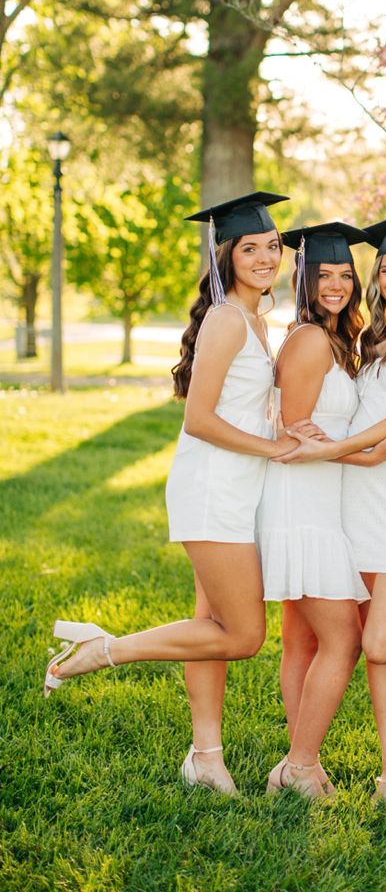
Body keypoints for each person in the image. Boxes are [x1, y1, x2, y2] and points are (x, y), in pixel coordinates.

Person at [43, 191, 296, 796]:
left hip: (236, 488)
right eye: (250, 248)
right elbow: (200, 419)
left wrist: (279, 434)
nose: (265, 258)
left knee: (208, 623)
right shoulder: (227, 318)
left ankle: (206, 757)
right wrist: (273, 448)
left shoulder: (256, 318)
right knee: (243, 634)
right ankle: (104, 651)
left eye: (272, 246)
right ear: (226, 255)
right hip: (213, 489)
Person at [284, 212, 386, 801]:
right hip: (353, 502)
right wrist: (345, 459)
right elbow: (362, 425)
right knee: (367, 641)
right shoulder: (369, 337)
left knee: (377, 641)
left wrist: (329, 453)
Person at [257, 222, 381, 798]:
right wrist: (367, 450)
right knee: (344, 641)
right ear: (304, 279)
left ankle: (296, 762)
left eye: (344, 275)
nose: (335, 285)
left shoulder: (334, 339)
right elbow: (288, 439)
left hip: (319, 505)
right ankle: (302, 764)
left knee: (302, 642)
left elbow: (314, 434)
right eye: (323, 275)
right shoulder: (309, 340)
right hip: (299, 508)